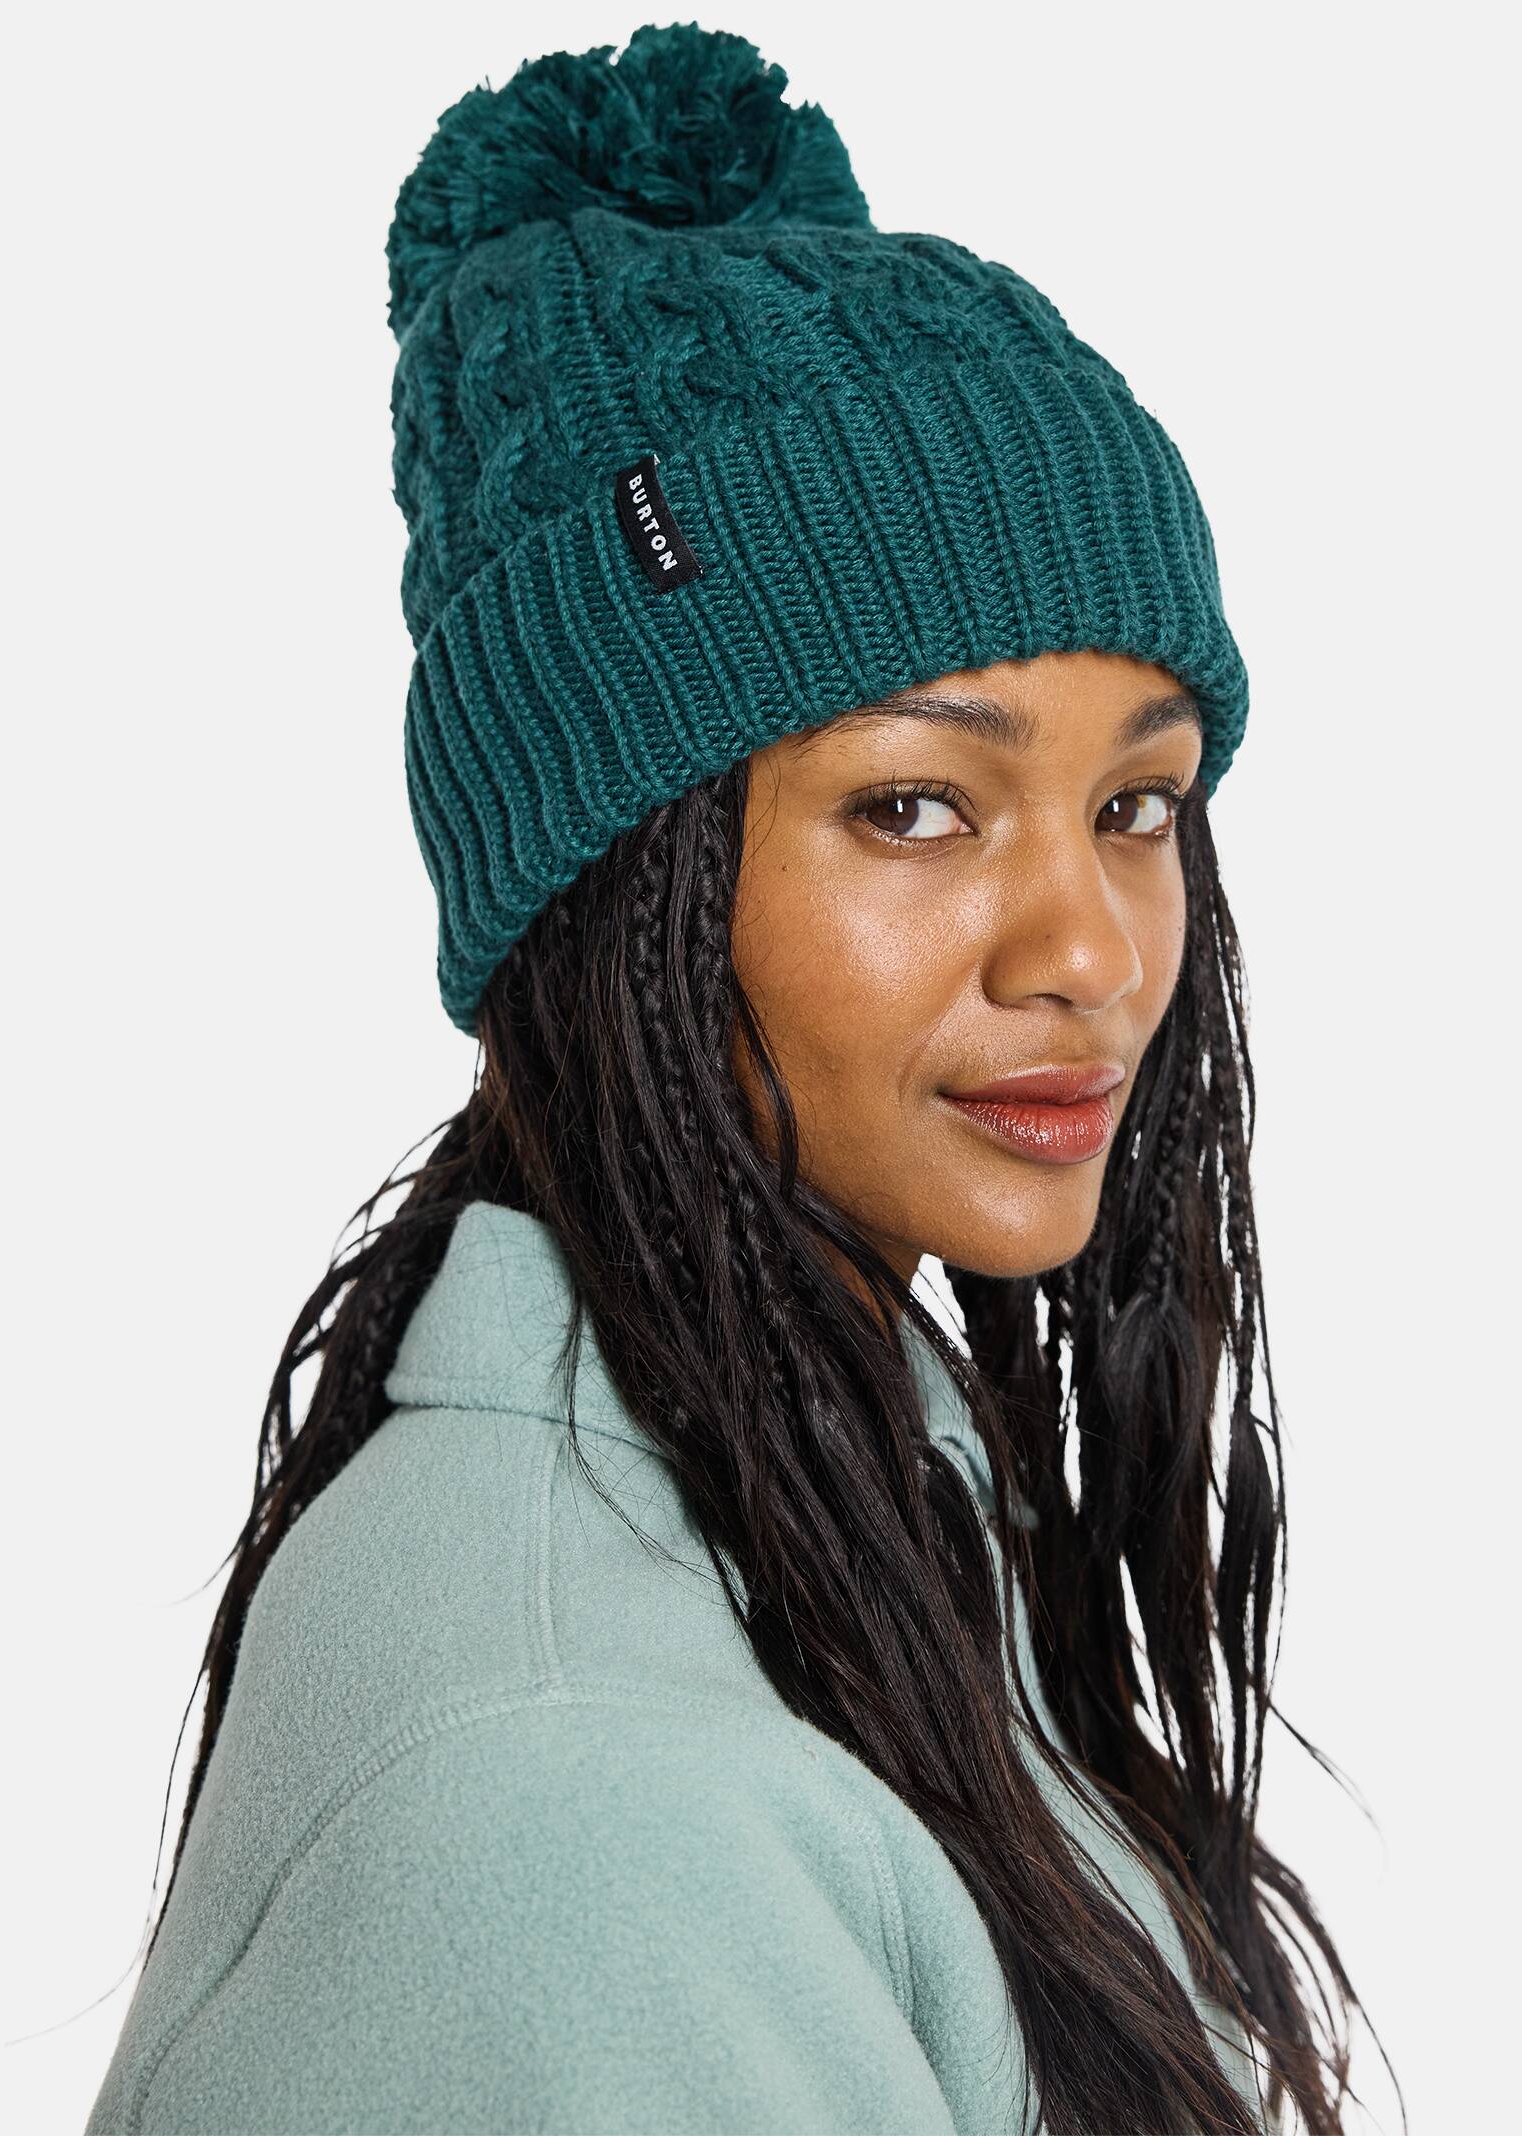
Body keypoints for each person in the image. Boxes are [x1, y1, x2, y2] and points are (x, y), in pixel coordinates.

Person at [86, 24, 1383, 2136]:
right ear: (617, 881)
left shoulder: (830, 1510)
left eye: (1134, 806)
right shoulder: (585, 1792)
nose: (1085, 953)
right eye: (913, 807)